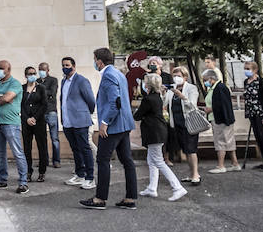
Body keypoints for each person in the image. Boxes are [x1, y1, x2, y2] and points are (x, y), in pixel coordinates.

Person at [80, 48, 137, 210]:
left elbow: (115, 102)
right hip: (124, 124)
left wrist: (105, 122)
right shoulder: (118, 74)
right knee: (127, 161)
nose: (94, 63)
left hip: (113, 126)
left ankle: (100, 199)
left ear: (99, 61)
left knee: (102, 160)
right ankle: (130, 198)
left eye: (94, 59)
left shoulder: (108, 75)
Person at [136, 72, 187, 201]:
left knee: (158, 161)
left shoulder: (148, 99)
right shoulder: (156, 96)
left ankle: (177, 188)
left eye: (145, 82)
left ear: (148, 85)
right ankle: (152, 188)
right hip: (158, 131)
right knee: (151, 161)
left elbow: (137, 115)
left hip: (154, 133)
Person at [0, 60, 28, 193]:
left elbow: (7, 98)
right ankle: (2, 180)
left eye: (1, 68)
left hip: (11, 122)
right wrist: (1, 97)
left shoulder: (15, 83)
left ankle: (23, 182)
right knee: (0, 154)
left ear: (9, 69)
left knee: (17, 152)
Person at [59, 56, 97, 189]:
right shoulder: (64, 81)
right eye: (63, 65)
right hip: (68, 122)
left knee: (84, 148)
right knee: (75, 149)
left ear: (74, 66)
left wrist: (86, 113)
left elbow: (91, 100)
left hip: (80, 121)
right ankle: (80, 174)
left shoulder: (81, 80)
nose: (65, 67)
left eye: (67, 65)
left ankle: (90, 177)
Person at [202, 68, 240, 173]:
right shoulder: (215, 88)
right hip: (219, 118)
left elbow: (223, 104)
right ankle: (235, 163)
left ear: (211, 78)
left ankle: (221, 165)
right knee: (228, 141)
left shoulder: (220, 88)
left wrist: (211, 109)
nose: (205, 82)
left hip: (221, 119)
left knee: (221, 142)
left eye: (205, 79)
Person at [167, 67, 202, 184]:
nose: (176, 78)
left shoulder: (191, 88)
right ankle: (191, 174)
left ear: (185, 77)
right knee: (185, 150)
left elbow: (192, 105)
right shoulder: (172, 89)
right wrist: (163, 92)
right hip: (177, 124)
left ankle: (196, 174)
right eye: (175, 76)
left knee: (191, 149)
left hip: (190, 123)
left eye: (179, 76)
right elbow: (165, 103)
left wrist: (181, 96)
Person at [20, 66, 50, 183]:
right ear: (25, 75)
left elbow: (44, 105)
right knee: (27, 148)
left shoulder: (41, 88)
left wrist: (34, 117)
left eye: (33, 73)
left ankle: (42, 172)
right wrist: (27, 118)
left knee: (42, 146)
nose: (32, 75)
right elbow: (20, 105)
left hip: (39, 122)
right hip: (26, 123)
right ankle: (28, 171)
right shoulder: (22, 88)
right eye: (29, 73)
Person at [38, 61, 61, 168]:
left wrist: (40, 91)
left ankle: (56, 160)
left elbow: (52, 93)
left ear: (48, 70)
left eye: (43, 69)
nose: (41, 71)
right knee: (42, 138)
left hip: (51, 111)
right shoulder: (37, 81)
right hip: (40, 112)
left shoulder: (53, 80)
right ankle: (44, 161)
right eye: (40, 69)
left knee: (54, 138)